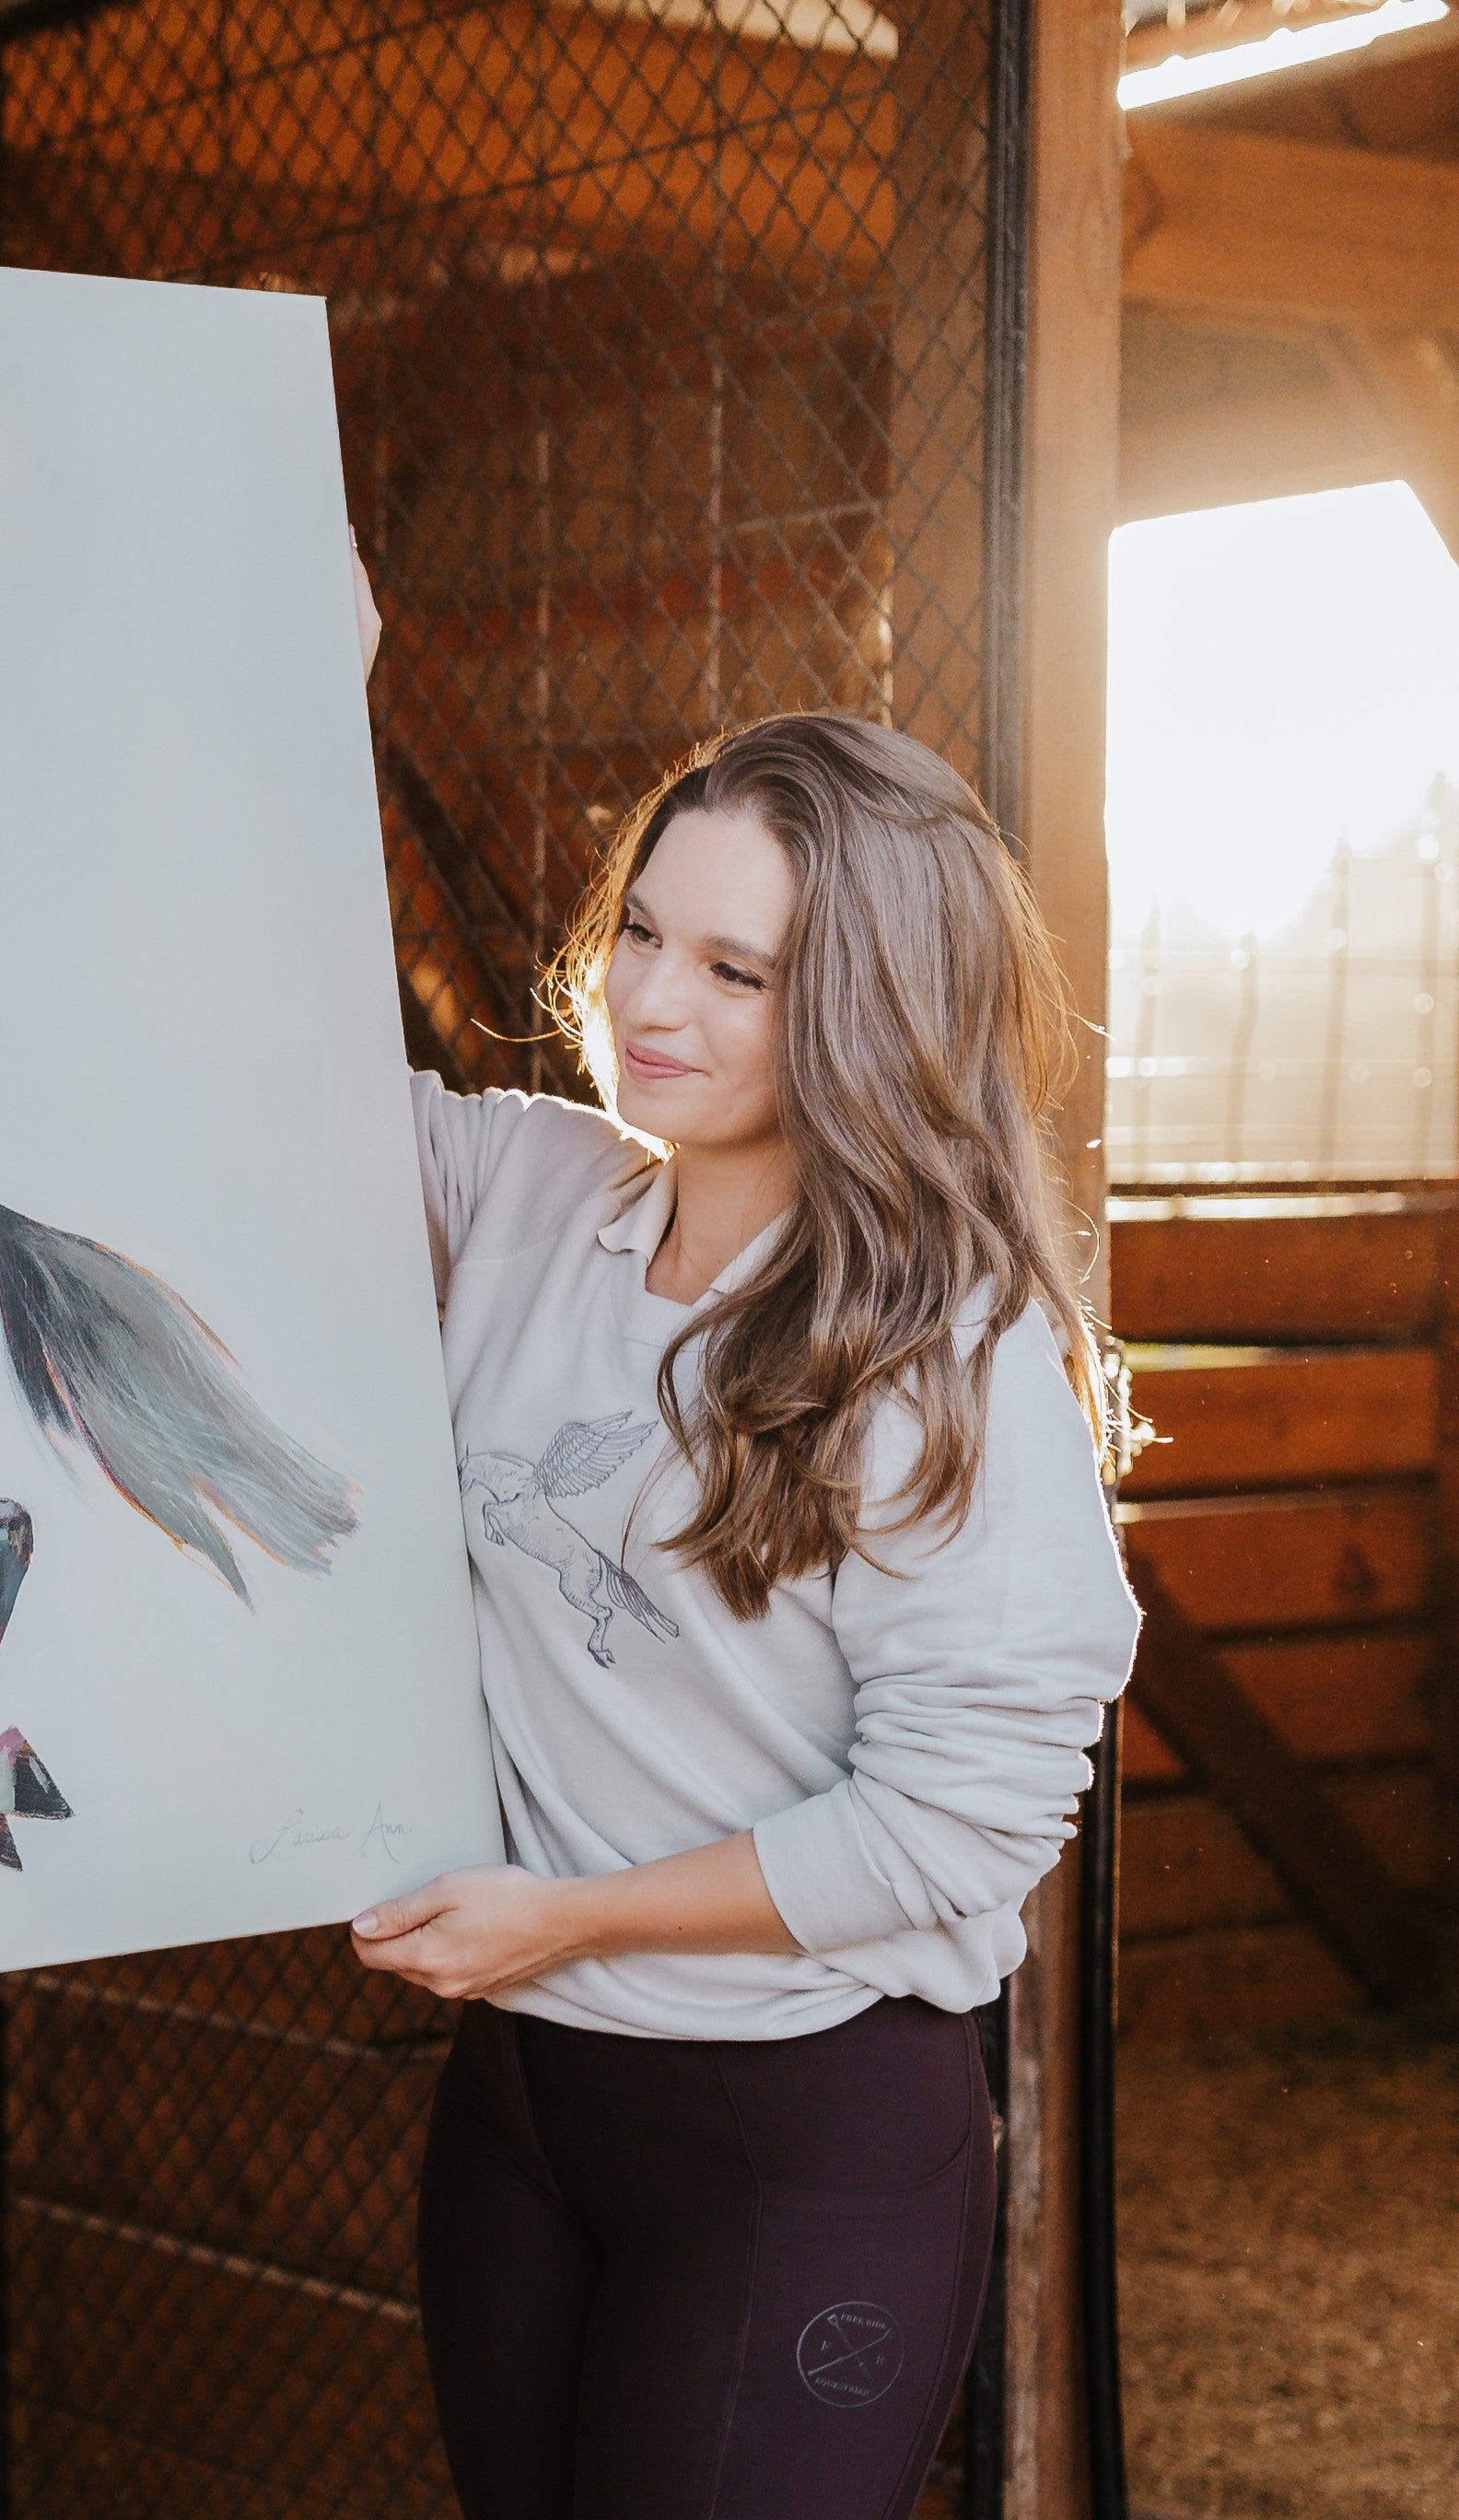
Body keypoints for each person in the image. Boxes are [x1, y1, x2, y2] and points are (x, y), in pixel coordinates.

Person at [342, 557, 1142, 2520]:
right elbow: (256, 1094)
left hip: (794, 2131)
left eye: (734, 971)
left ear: (859, 1007)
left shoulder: (950, 1354)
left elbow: (962, 1824)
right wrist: (304, 711)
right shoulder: (532, 1187)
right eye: (643, 932)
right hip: (531, 2098)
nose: (642, 999)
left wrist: (579, 1913)